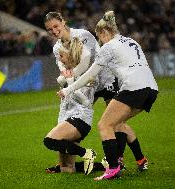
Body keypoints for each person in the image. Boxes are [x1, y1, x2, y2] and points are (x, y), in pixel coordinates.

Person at [57, 11, 158, 180]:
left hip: (133, 88)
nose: (100, 41)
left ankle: (113, 168)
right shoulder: (130, 41)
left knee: (104, 125)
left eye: (100, 37)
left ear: (104, 33)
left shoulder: (108, 47)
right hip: (151, 89)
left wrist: (68, 89)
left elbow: (90, 73)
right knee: (118, 123)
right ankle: (136, 159)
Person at [43, 35, 98, 175]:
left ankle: (87, 153)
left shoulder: (88, 74)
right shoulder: (69, 73)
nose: (59, 59)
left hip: (80, 119)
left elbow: (86, 101)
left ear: (71, 56)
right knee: (66, 169)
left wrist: (68, 83)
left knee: (50, 141)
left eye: (62, 55)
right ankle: (104, 164)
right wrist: (65, 82)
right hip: (66, 119)